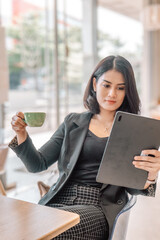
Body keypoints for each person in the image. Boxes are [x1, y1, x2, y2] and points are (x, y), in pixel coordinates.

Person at [9, 55, 160, 240]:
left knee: (51, 232)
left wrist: (151, 175)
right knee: (20, 226)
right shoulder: (73, 122)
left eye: (120, 88)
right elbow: (37, 164)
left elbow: (135, 187)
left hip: (98, 207)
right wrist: (21, 134)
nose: (112, 93)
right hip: (59, 199)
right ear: (95, 84)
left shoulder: (133, 130)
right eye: (107, 85)